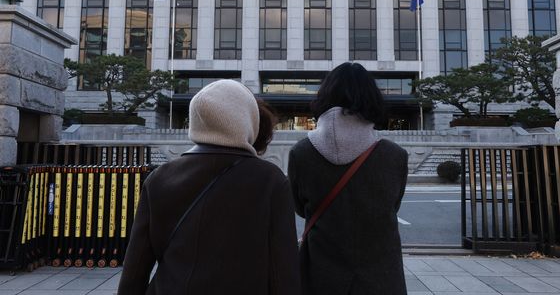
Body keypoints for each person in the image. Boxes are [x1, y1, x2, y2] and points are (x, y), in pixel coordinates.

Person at [118, 79, 301, 295]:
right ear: (248, 121)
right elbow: (283, 272)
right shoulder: (271, 181)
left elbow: (136, 268)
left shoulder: (159, 178)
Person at [288, 62, 408, 295]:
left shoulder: (301, 153)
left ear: (324, 98)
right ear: (372, 98)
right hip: (382, 279)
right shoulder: (394, 156)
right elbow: (392, 206)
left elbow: (301, 209)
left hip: (320, 277)